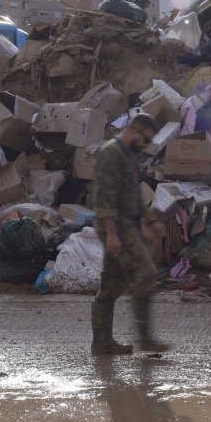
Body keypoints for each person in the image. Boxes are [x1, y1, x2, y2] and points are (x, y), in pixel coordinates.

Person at [91, 113, 170, 355]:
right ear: (135, 132)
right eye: (146, 139)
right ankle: (145, 338)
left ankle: (102, 343)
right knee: (146, 273)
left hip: (126, 225)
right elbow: (104, 197)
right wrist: (112, 234)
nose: (147, 145)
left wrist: (149, 220)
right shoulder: (110, 152)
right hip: (116, 226)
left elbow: (133, 195)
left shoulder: (128, 155)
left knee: (111, 283)